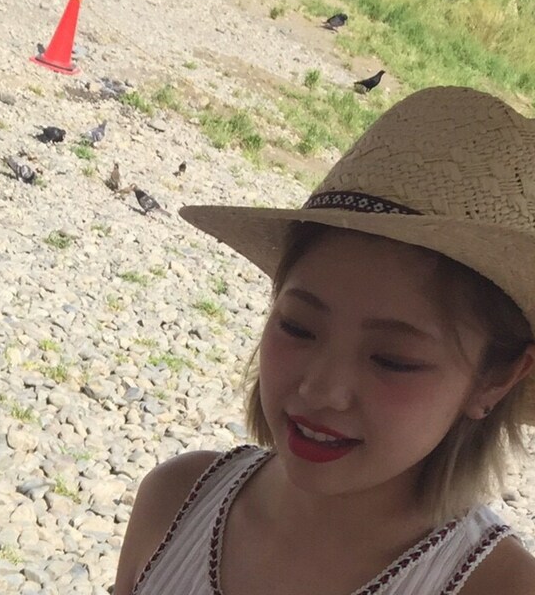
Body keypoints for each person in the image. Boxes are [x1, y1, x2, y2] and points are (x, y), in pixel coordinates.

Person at [113, 86, 535, 594]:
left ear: (495, 379)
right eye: (298, 327)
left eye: (392, 359)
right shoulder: (175, 500)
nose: (321, 389)